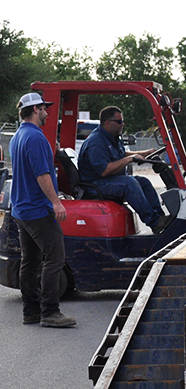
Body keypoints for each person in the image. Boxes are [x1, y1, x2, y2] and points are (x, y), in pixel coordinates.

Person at [9, 92, 76, 327]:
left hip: (21, 210)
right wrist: (56, 202)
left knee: (30, 261)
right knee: (55, 258)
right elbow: (41, 175)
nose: (48, 112)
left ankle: (31, 312)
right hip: (38, 210)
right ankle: (50, 312)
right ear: (35, 109)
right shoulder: (36, 138)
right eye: (45, 108)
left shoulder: (18, 136)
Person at [78, 106, 172, 234]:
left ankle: (160, 219)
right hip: (96, 184)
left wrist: (144, 153)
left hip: (109, 180)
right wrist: (130, 159)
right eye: (119, 121)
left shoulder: (111, 137)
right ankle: (154, 222)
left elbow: (121, 154)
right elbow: (104, 170)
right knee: (129, 183)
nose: (123, 124)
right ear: (108, 122)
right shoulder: (96, 142)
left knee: (143, 182)